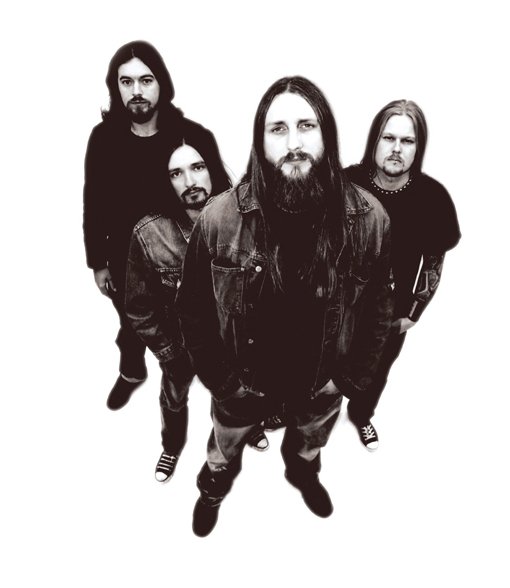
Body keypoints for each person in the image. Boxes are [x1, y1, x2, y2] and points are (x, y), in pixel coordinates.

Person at [176, 76, 394, 536]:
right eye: (278, 129)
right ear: (260, 142)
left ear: (327, 135)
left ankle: (302, 471)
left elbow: (378, 310)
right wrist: (224, 383)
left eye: (306, 126)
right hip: (243, 384)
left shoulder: (370, 219)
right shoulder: (218, 219)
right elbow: (192, 309)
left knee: (310, 442)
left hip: (320, 385)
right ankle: (214, 484)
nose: (294, 143)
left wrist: (346, 380)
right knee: (223, 446)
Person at [83, 40, 225, 411]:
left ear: (161, 82)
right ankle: (132, 371)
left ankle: (202, 380)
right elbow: (93, 201)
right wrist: (97, 262)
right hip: (123, 259)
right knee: (133, 323)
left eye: (145, 80)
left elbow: (221, 196)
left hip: (181, 255)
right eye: (126, 82)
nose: (136, 90)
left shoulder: (192, 136)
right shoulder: (104, 139)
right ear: (115, 87)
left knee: (190, 324)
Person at [125, 138, 267, 482]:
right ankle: (172, 445)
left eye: (198, 167)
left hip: (233, 345)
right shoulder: (149, 234)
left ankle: (245, 428)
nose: (189, 181)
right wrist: (169, 352)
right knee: (174, 398)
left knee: (236, 394)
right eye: (176, 173)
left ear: (212, 169)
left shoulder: (244, 219)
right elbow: (139, 307)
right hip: (181, 346)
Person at [345, 100, 461, 450]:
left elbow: (434, 261)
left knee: (375, 373)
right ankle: (294, 409)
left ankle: (361, 415)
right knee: (317, 366)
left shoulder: (433, 197)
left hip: (389, 314)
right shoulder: (346, 183)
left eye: (407, 141)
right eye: (388, 138)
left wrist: (413, 312)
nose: (396, 149)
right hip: (340, 306)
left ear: (418, 147)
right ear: (374, 141)